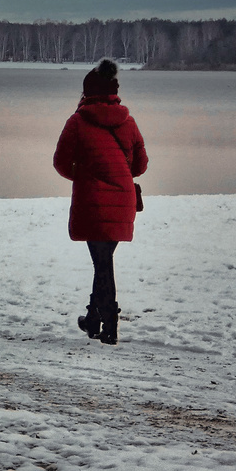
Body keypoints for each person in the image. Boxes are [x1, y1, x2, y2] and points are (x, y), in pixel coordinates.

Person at [52, 58, 148, 345]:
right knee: (103, 262)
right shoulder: (128, 122)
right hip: (122, 200)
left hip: (93, 199)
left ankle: (110, 325)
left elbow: (60, 163)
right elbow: (140, 165)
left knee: (102, 263)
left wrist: (83, 176)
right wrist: (117, 173)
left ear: (86, 92)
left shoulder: (78, 121)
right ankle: (94, 319)